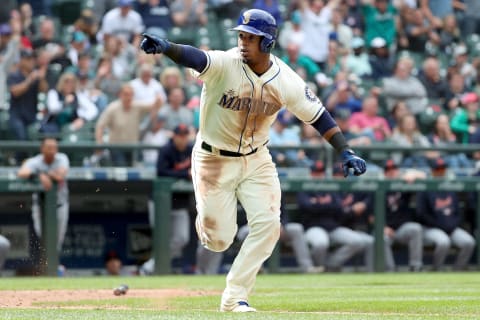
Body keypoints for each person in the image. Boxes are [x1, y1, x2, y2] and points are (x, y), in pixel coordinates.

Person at [140, 8, 366, 312]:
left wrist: (345, 150)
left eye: (251, 38)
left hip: (257, 158)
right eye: (242, 36)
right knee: (219, 240)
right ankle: (208, 223)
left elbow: (318, 116)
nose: (243, 42)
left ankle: (235, 298)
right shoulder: (227, 63)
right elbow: (198, 57)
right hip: (213, 159)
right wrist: (167, 47)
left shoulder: (285, 79)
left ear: (268, 43)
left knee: (270, 225)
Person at [140, 123, 194, 275]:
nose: (182, 139)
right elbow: (162, 172)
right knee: (160, 238)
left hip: (180, 202)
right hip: (160, 203)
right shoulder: (166, 150)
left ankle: (151, 266)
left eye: (185, 135)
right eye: (180, 135)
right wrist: (185, 175)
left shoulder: (192, 150)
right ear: (174, 136)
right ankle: (157, 268)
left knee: (182, 238)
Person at [416, 157, 476, 270]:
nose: (441, 172)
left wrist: (451, 225)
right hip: (431, 228)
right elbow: (421, 214)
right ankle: (436, 269)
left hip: (451, 228)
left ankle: (457, 270)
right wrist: (440, 225)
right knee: (443, 242)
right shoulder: (425, 188)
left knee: (469, 242)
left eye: (443, 169)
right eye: (438, 169)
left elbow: (458, 213)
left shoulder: (449, 187)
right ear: (433, 171)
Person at [17, 137, 70, 252]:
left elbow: (60, 176)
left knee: (58, 240)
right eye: (49, 148)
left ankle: (54, 266)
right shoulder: (36, 161)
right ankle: (48, 266)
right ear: (42, 149)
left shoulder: (62, 158)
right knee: (44, 238)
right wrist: (39, 175)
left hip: (60, 205)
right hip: (40, 206)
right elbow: (21, 173)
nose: (52, 151)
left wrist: (46, 174)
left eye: (54, 148)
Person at [382, 159, 425, 272]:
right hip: (386, 228)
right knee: (381, 238)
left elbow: (424, 175)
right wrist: (382, 227)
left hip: (402, 228)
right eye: (389, 170)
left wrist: (412, 174)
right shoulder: (380, 186)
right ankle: (389, 270)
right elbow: (371, 215)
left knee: (416, 228)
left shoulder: (403, 184)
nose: (392, 172)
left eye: (394, 169)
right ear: (384, 173)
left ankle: (415, 267)